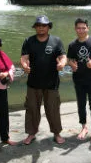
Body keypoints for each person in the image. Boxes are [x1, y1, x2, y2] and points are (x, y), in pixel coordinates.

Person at [21, 15, 67, 145]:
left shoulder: (56, 41)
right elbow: (24, 57)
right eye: (38, 25)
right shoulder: (29, 41)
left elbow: (63, 56)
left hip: (51, 82)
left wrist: (62, 64)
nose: (41, 28)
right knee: (32, 109)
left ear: (48, 27)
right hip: (33, 83)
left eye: (44, 26)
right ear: (35, 27)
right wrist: (24, 66)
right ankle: (31, 133)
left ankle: (57, 133)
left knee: (53, 109)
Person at [68, 18, 91, 143]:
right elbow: (70, 59)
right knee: (81, 104)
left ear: (87, 28)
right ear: (75, 29)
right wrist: (71, 64)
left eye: (83, 28)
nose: (81, 30)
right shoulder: (72, 45)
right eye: (79, 28)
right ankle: (84, 127)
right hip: (78, 79)